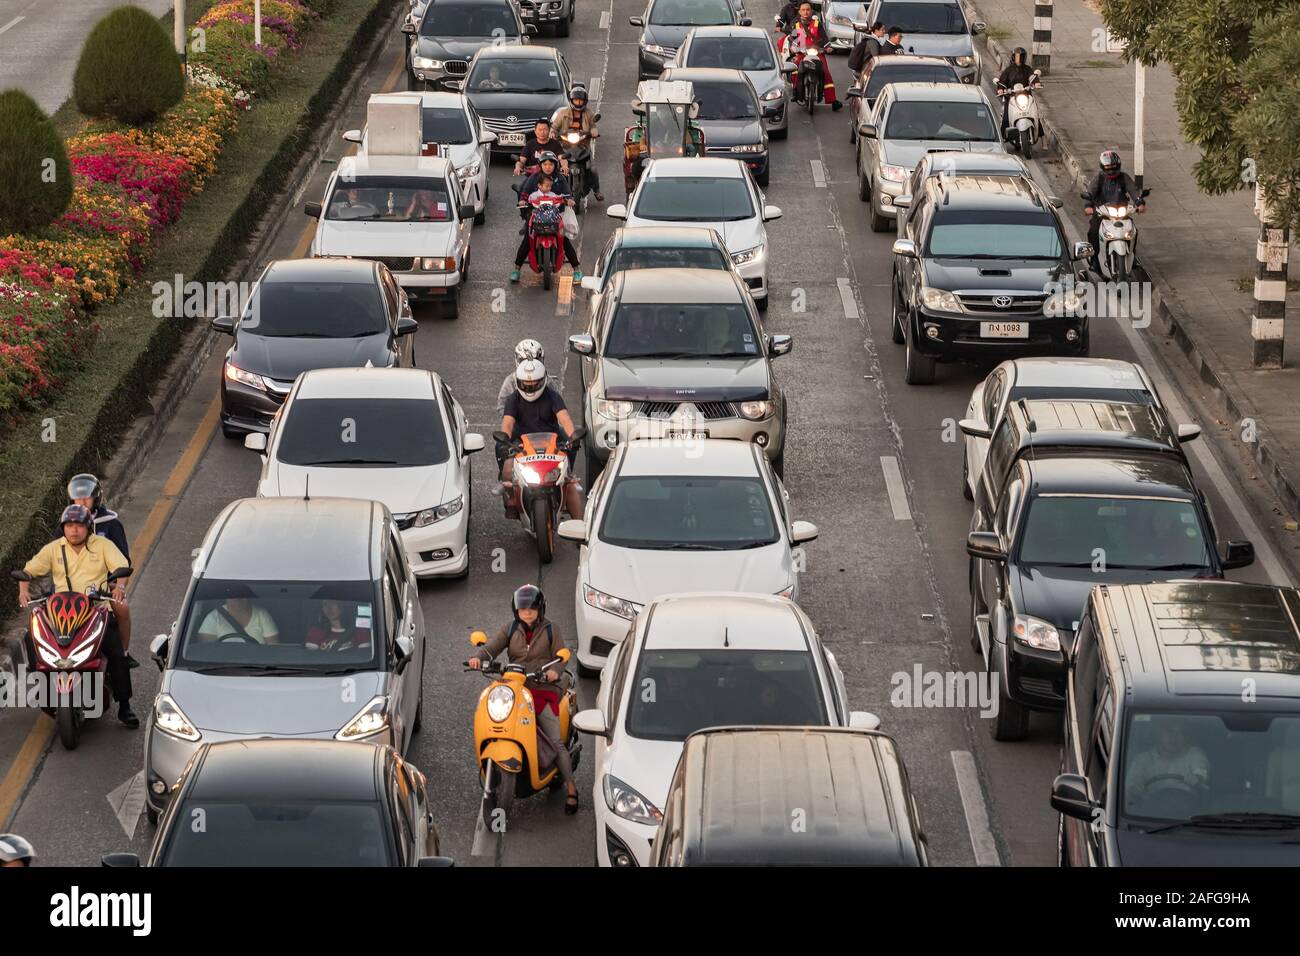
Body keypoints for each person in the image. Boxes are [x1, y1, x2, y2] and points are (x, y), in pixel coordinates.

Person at [18, 505, 137, 727]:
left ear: (88, 527)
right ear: (63, 528)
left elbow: (122, 567)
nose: (74, 530)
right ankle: (41, 687)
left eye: (79, 526)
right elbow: (28, 571)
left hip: (96, 611)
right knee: (34, 639)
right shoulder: (54, 549)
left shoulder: (103, 545)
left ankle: (125, 706)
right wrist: (23, 591)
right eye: (69, 526)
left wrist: (119, 587)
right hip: (60, 613)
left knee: (116, 653)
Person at [466, 584, 579, 814]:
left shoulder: (551, 630)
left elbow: (562, 656)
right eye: (522, 609)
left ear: (540, 610)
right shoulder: (510, 629)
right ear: (516, 610)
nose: (527, 613)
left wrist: (555, 671)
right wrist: (478, 658)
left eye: (531, 609)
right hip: (515, 687)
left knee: (555, 741)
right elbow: (491, 647)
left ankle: (571, 788)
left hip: (543, 688)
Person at [499, 359, 584, 520]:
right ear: (518, 382)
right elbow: (508, 423)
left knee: (569, 485)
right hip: (521, 444)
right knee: (508, 469)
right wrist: (505, 442)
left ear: (543, 381)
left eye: (534, 384)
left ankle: (580, 527)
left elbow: (564, 418)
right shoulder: (513, 399)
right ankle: (511, 498)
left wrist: (573, 436)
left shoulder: (553, 397)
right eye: (525, 384)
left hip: (551, 443)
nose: (530, 388)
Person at [1083, 149, 1146, 274]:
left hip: (1122, 212)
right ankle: (1094, 259)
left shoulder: (1124, 177)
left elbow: (1133, 190)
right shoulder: (1099, 178)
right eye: (1108, 168)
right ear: (1103, 167)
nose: (1111, 170)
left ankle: (1132, 256)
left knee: (1133, 231)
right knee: (1093, 231)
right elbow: (1090, 192)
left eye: (1113, 167)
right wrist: (1088, 206)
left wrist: (1139, 203)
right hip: (1102, 213)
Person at [512, 173, 582, 283]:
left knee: (564, 241)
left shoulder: (554, 195)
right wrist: (523, 202)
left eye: (550, 186)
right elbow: (525, 200)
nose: (549, 188)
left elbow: (563, 198)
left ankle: (577, 269)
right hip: (536, 224)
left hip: (553, 223)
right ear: (539, 185)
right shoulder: (533, 196)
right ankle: (516, 269)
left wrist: (568, 201)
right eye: (546, 186)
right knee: (527, 242)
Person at [1127, 721, 1210, 804]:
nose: (1174, 738)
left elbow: (1201, 770)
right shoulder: (1143, 759)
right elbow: (1131, 785)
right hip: (1151, 809)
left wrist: (1198, 777)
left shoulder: (1194, 754)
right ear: (1158, 734)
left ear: (1185, 737)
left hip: (1189, 808)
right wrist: (1135, 788)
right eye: (1169, 731)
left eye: (1180, 733)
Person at [551, 84, 604, 202]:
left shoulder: (589, 113)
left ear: (585, 101)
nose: (578, 102)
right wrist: (553, 133)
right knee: (553, 166)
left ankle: (597, 190)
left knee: (593, 169)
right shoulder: (563, 113)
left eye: (580, 100)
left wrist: (594, 132)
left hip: (583, 146)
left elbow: (593, 126)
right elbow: (554, 127)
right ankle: (552, 190)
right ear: (571, 100)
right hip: (565, 145)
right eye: (576, 100)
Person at [784, 3, 841, 110]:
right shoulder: (796, 25)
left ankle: (833, 100)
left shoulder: (817, 24)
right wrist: (793, 47)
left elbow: (824, 38)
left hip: (817, 53)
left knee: (826, 72)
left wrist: (828, 47)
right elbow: (792, 39)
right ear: (799, 12)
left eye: (808, 9)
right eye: (803, 10)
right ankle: (796, 93)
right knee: (795, 69)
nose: (806, 12)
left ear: (811, 11)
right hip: (802, 53)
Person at [66, 473, 130, 563]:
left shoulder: (111, 524)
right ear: (73, 500)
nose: (82, 502)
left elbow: (124, 560)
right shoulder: (65, 526)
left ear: (95, 498)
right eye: (78, 498)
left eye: (87, 497)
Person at [496, 339, 561, 417]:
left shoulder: (548, 381)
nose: (531, 366)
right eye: (525, 361)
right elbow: (501, 406)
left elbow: (558, 405)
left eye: (536, 361)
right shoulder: (511, 381)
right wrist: (513, 417)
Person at [516, 152, 573, 224]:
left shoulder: (560, 177)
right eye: (545, 164)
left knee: (564, 228)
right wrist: (522, 200)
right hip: (536, 211)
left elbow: (567, 192)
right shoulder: (534, 177)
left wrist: (569, 199)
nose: (548, 167)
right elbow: (526, 191)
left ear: (555, 165)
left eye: (551, 164)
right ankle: (527, 226)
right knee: (529, 223)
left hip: (557, 211)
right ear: (540, 165)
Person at [996, 47, 1039, 140]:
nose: (1018, 59)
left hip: (1025, 96)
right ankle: (1004, 136)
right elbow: (1002, 81)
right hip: (1011, 97)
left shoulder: (1027, 69)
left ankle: (1041, 137)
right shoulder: (1008, 70)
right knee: (1006, 117)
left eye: (1020, 57)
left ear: (1024, 58)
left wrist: (1036, 83)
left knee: (1035, 114)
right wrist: (1000, 89)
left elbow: (1032, 77)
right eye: (1016, 56)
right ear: (1013, 57)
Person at [197, 596, 279, 644]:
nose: (237, 600)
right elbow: (206, 651)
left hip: (257, 665)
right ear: (226, 598)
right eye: (233, 597)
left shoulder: (261, 614)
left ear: (247, 598)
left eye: (241, 596)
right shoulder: (213, 617)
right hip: (223, 666)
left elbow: (273, 648)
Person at [305, 599, 372, 651]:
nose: (329, 608)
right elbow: (312, 658)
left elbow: (363, 656)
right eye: (325, 604)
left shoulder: (360, 631)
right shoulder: (316, 632)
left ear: (342, 605)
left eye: (333, 603)